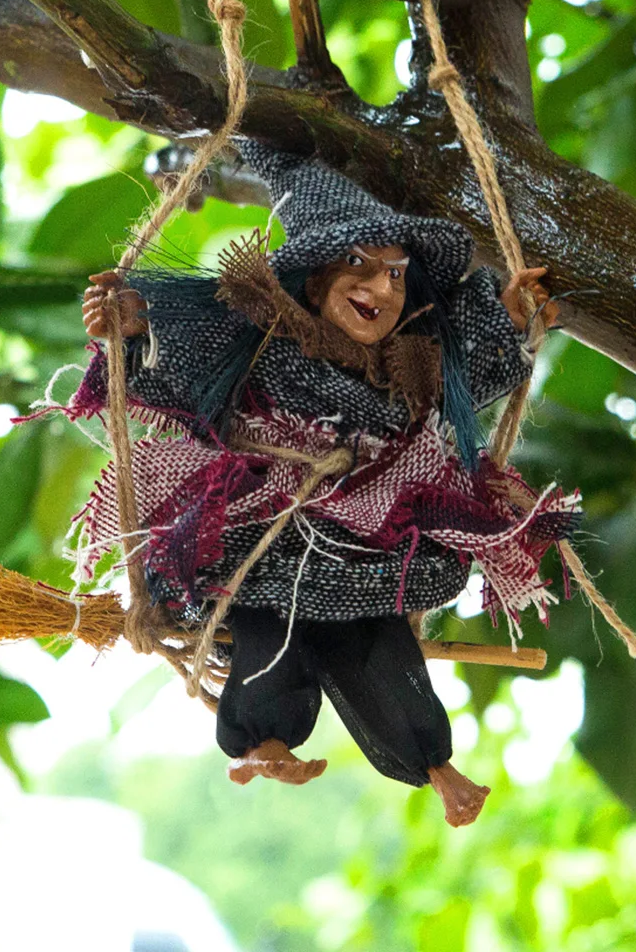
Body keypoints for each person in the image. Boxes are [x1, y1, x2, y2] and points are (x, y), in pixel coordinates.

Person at [73, 145, 579, 827]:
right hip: (266, 531)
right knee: (267, 628)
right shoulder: (260, 335)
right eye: (359, 265)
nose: (382, 288)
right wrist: (134, 326)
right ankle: (263, 737)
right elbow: (179, 363)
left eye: (396, 274)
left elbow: (473, 372)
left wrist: (512, 319)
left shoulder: (412, 363)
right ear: (313, 280)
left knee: (378, 642)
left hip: (369, 537)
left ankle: (431, 763)